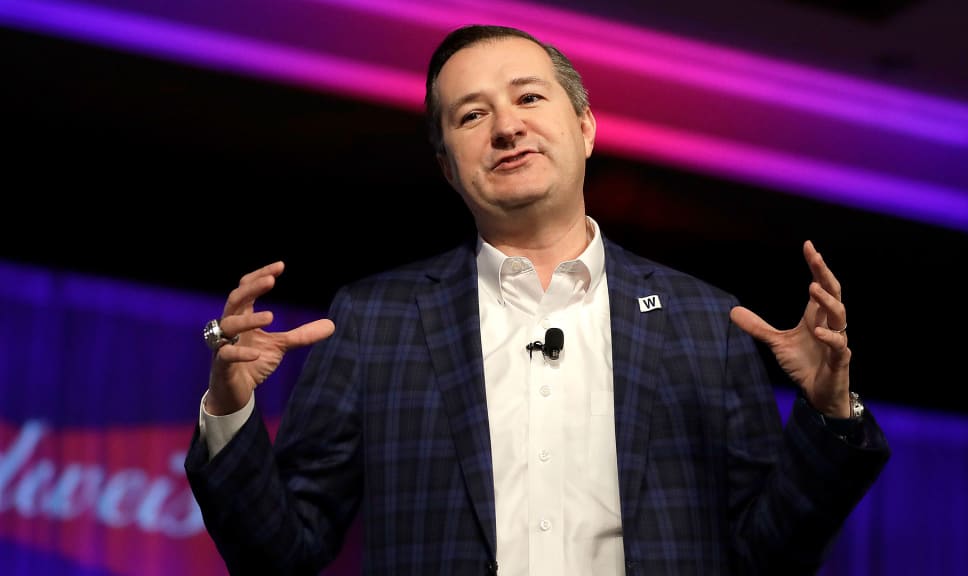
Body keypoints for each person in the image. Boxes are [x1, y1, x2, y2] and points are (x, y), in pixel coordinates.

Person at [185, 24, 890, 576]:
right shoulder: (378, 320)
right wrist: (229, 413)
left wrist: (828, 415)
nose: (506, 126)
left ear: (585, 127)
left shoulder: (707, 322)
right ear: (448, 169)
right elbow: (282, 554)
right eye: (471, 115)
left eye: (528, 98)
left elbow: (773, 557)